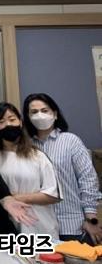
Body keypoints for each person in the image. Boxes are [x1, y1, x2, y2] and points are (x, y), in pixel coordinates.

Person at [23, 93, 102, 244]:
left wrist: (91, 219)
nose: (40, 115)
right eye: (34, 112)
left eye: (44, 110)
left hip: (72, 225)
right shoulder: (26, 147)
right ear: (28, 117)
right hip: (40, 226)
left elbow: (88, 179)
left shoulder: (70, 141)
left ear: (55, 114)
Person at [0, 102, 61, 239]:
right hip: (1, 230)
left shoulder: (37, 156)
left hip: (39, 228)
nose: (8, 124)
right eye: (1, 121)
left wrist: (15, 198)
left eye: (12, 119)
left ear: (20, 122)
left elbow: (53, 194)